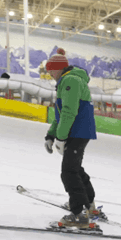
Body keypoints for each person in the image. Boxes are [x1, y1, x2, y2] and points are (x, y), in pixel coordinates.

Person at [44, 48, 99, 229]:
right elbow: (60, 115)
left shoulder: (70, 80)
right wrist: (51, 134)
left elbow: (69, 112)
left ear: (59, 68)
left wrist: (61, 137)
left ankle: (79, 214)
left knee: (68, 172)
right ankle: (89, 206)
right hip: (79, 131)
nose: (49, 73)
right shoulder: (68, 80)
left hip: (77, 131)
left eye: (51, 70)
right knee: (75, 168)